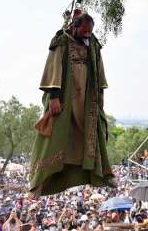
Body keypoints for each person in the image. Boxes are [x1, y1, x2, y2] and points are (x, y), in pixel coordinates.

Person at [28, 11, 115, 196]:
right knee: (55, 133)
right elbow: (53, 67)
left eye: (90, 32)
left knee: (91, 132)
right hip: (65, 94)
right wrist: (54, 96)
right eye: (84, 32)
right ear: (74, 27)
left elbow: (99, 70)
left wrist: (100, 94)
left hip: (87, 96)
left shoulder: (93, 44)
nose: (87, 35)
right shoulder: (61, 41)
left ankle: (101, 173)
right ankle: (40, 180)